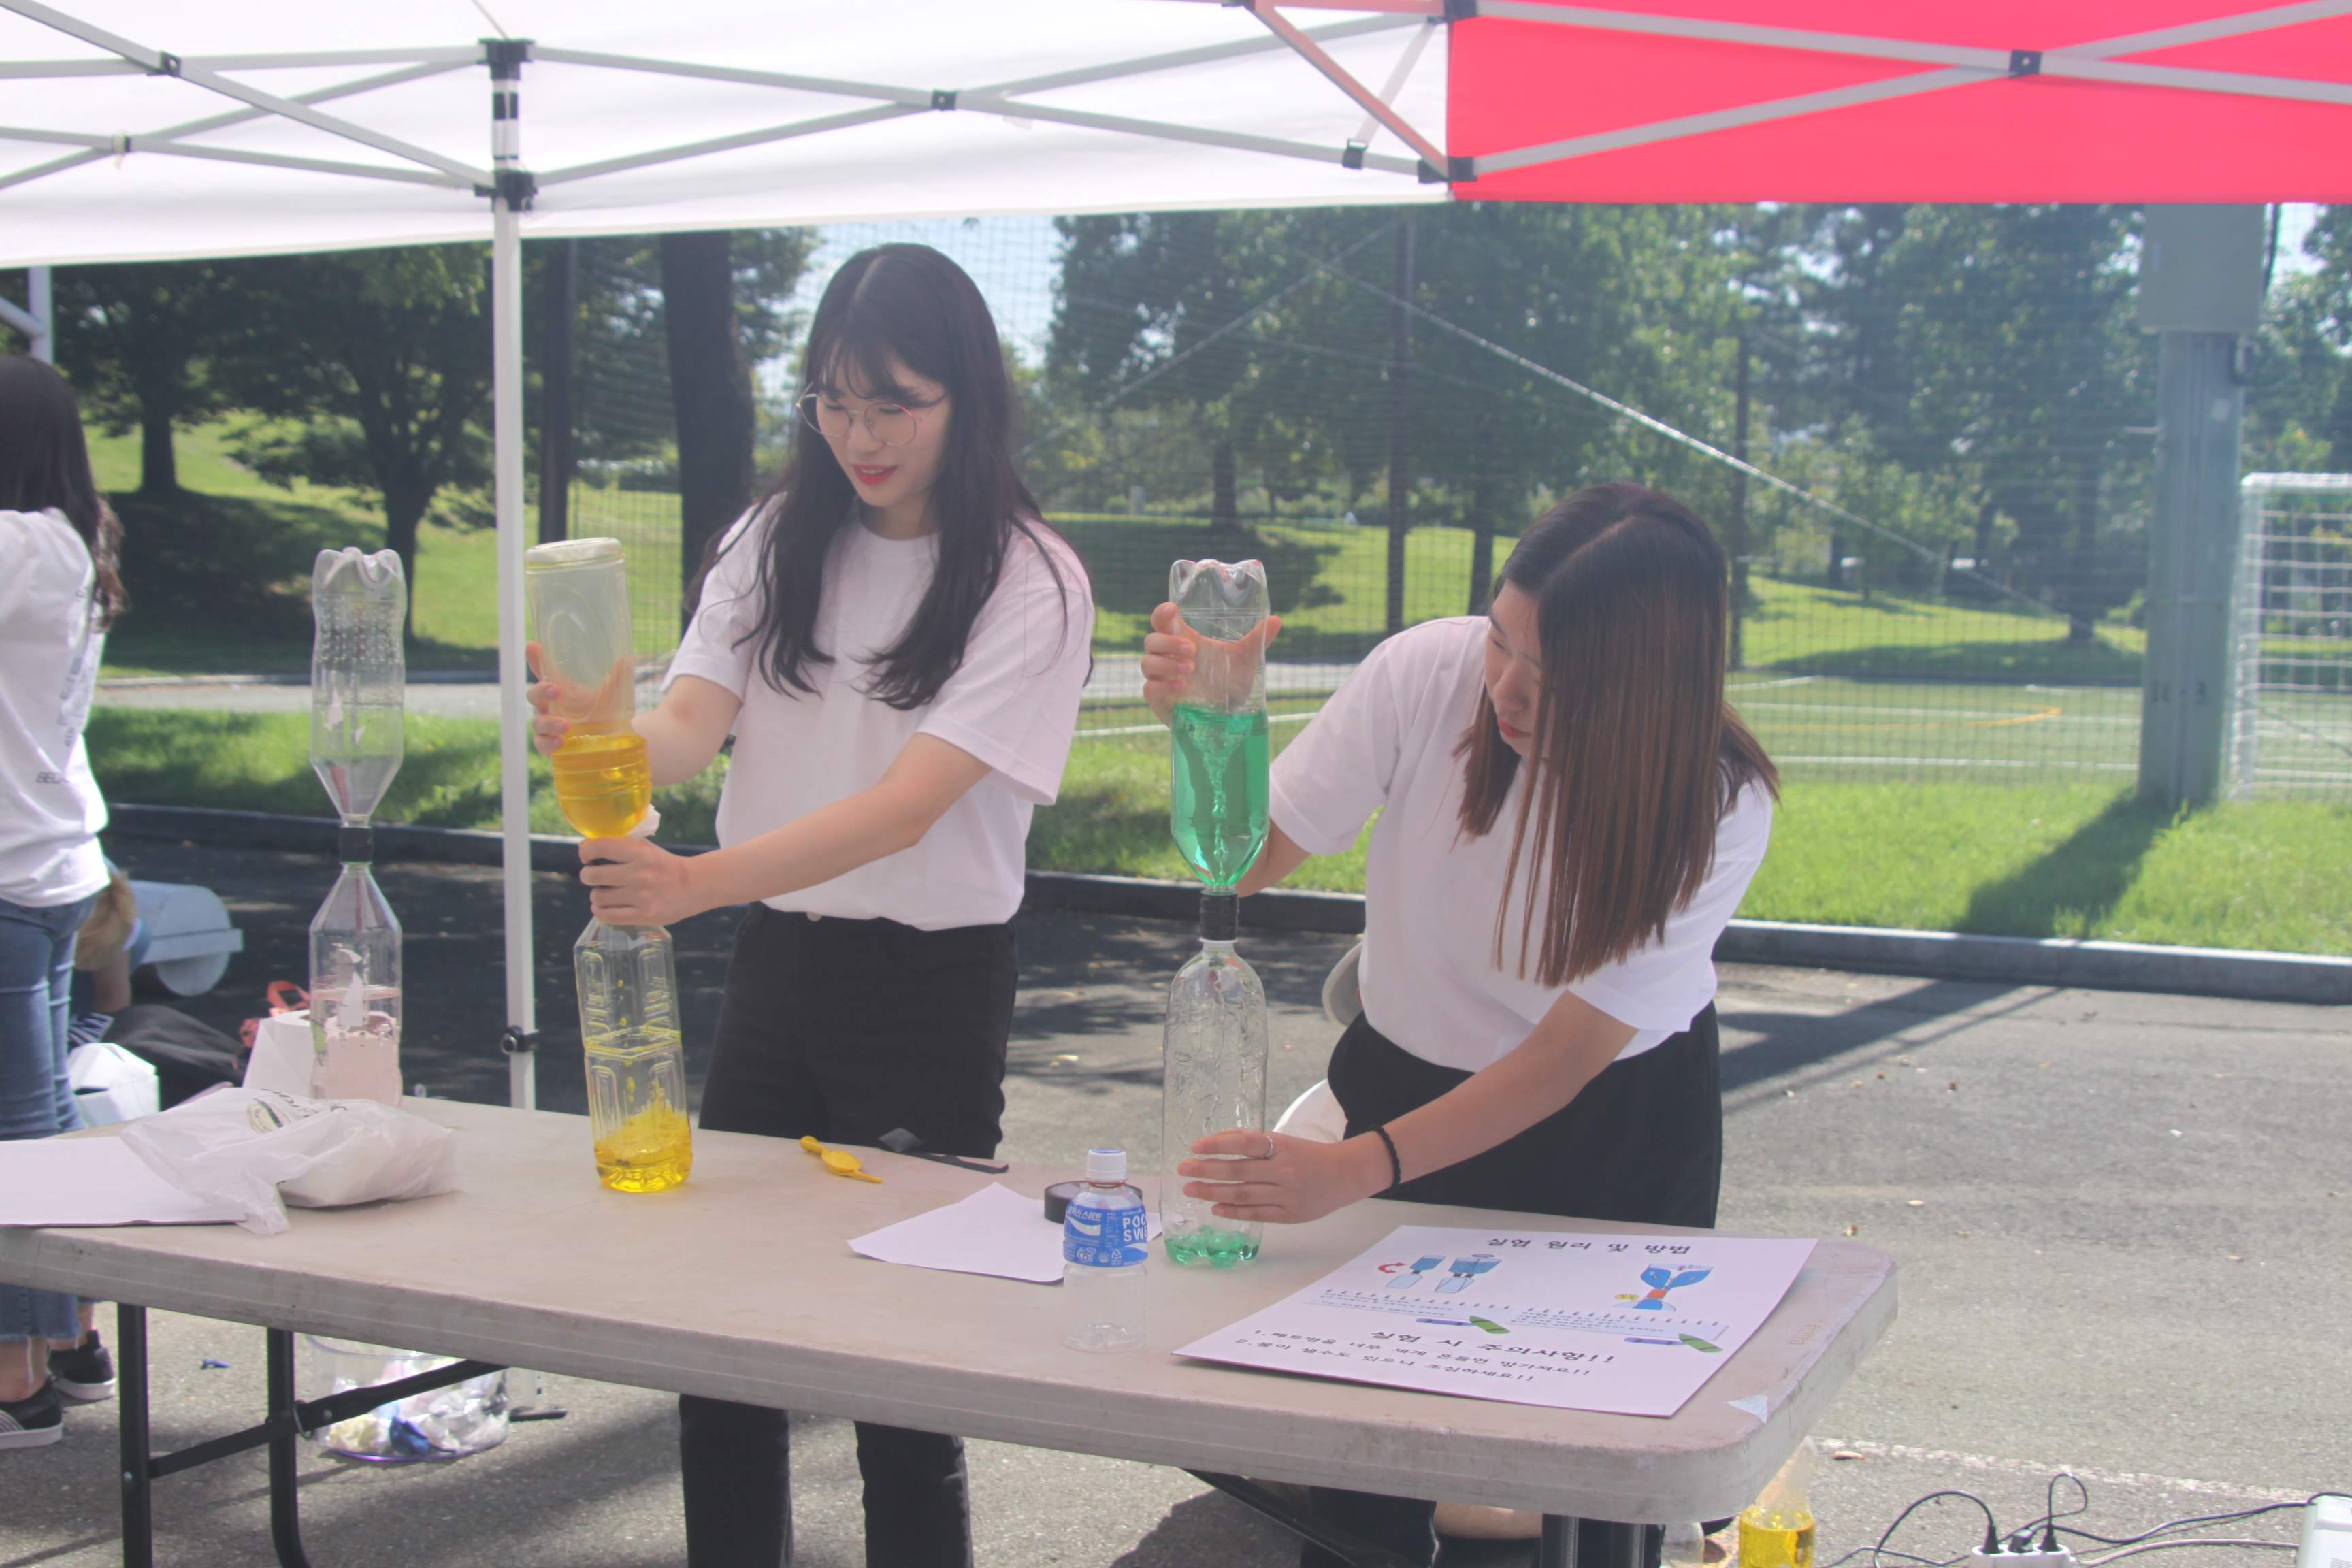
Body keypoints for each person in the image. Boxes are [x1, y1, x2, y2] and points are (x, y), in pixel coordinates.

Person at [528, 244, 1094, 1568]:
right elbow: (688, 727)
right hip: (779, 962)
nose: (861, 437)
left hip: (929, 986)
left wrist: (690, 885)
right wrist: (600, 727)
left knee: (906, 1364)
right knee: (724, 1339)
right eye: (834, 403)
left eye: (895, 405)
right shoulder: (774, 537)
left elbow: (906, 808)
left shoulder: (1030, 578)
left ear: (968, 399)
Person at [1143, 483, 1778, 1568]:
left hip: (1607, 1135)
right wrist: (1214, 724)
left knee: (1577, 1482)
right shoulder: (1424, 674)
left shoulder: (1717, 801)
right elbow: (1242, 862)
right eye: (1501, 641)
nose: (1507, 691)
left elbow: (1562, 1061)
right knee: (1362, 1483)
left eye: (1553, 676)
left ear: (1648, 688)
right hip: (1405, 1083)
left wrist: (1353, 1169)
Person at [0, 355, 124, 1448]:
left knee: (17, 1125)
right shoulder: (70, 542)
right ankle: (74, 1335)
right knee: (43, 1106)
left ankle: (16, 1375)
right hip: (48, 861)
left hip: (12, 868)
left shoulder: (20, 545)